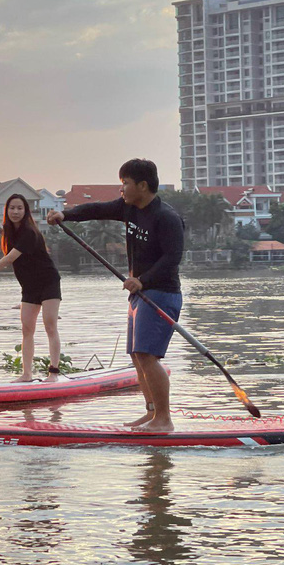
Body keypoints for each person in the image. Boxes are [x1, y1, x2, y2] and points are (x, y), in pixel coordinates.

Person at [47, 158, 184, 432]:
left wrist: (142, 280)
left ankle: (164, 419)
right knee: (137, 355)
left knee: (147, 356)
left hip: (161, 293)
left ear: (142, 186)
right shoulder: (128, 208)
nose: (121, 190)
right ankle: (151, 413)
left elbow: (173, 258)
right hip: (139, 294)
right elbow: (96, 209)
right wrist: (66, 215)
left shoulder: (166, 217)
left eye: (125, 183)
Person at [0, 193, 63, 383]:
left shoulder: (29, 232)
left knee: (50, 326)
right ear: (7, 210)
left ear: (26, 211)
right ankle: (27, 374)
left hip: (48, 281)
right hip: (29, 286)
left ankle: (53, 373)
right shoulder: (11, 232)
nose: (15, 211)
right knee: (27, 329)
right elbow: (9, 237)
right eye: (12, 208)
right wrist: (1, 229)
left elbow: (9, 259)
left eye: (19, 208)